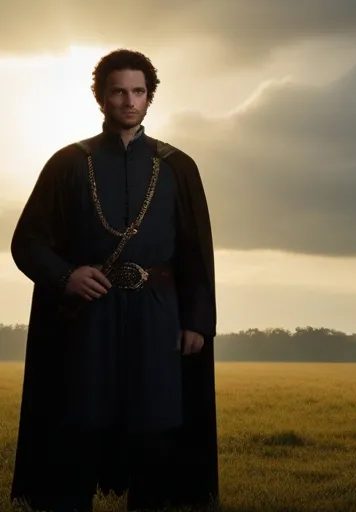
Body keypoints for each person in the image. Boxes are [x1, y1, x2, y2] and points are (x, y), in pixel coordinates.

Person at [8, 49, 219, 512]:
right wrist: (66, 276)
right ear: (101, 97)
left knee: (156, 432)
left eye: (138, 92)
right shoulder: (67, 163)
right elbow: (26, 242)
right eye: (119, 91)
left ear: (150, 98)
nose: (129, 101)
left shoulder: (177, 167)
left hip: (158, 317)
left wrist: (197, 322)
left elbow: (196, 254)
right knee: (78, 427)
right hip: (87, 318)